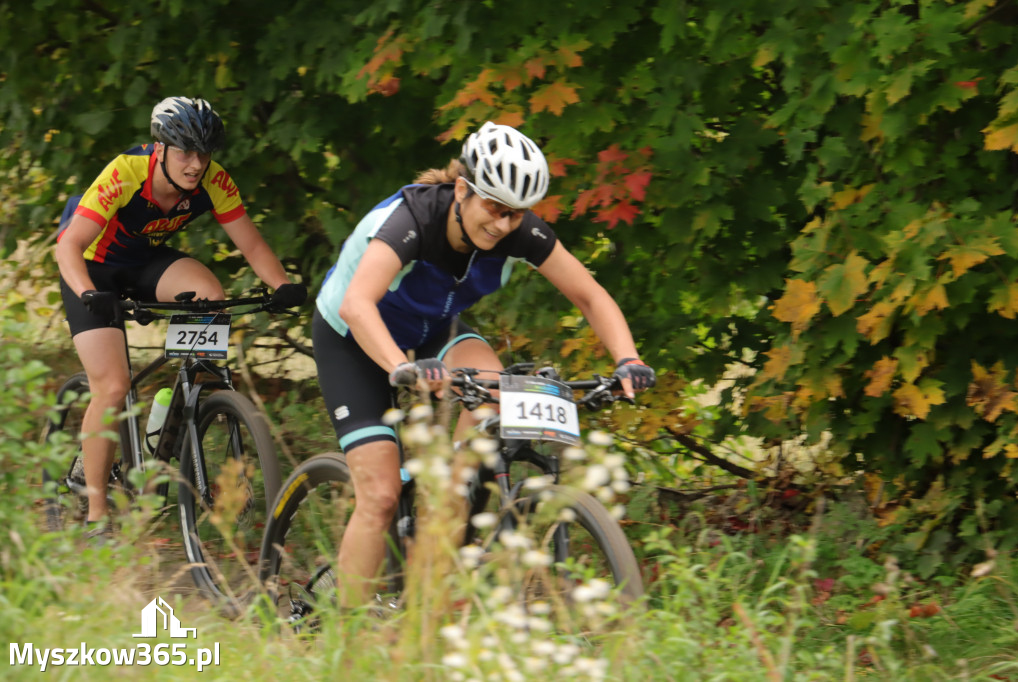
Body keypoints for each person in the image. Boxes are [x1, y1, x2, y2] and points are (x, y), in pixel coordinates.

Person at [313, 120, 655, 606]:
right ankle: (343, 636)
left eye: (515, 215)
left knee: (493, 402)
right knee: (381, 493)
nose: (502, 224)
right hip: (353, 333)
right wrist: (400, 366)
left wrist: (627, 359)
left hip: (434, 327)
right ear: (461, 190)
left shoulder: (518, 230)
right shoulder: (412, 221)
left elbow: (589, 294)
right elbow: (357, 305)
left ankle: (433, 553)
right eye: (493, 208)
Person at [54, 96, 306, 536]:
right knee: (112, 386)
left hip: (143, 262)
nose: (196, 165)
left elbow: (251, 245)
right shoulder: (125, 174)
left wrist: (281, 286)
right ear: (160, 147)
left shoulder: (214, 181)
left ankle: (171, 423)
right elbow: (68, 246)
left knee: (210, 295)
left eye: (204, 154)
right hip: (90, 268)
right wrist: (89, 292)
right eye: (185, 152)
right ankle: (95, 508)